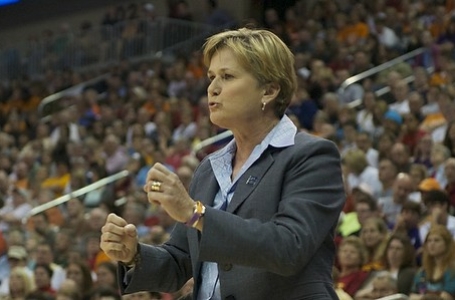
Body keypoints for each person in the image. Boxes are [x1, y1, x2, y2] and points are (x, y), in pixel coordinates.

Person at [100, 27, 345, 299]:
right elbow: (181, 260)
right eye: (211, 77)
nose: (212, 88)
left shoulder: (311, 156)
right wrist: (133, 255)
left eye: (227, 77)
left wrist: (195, 213)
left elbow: (288, 247)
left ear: (269, 91)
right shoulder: (210, 168)